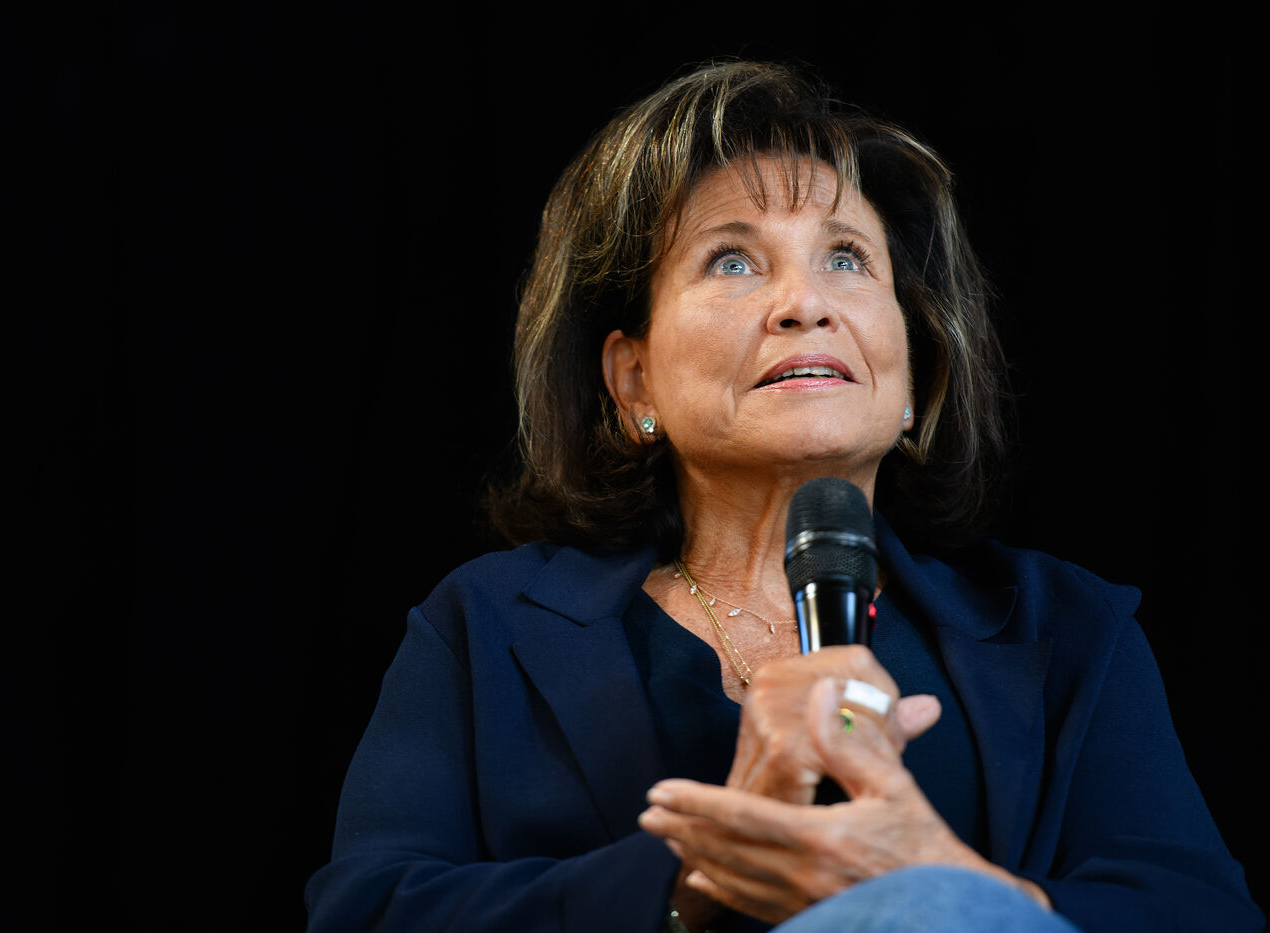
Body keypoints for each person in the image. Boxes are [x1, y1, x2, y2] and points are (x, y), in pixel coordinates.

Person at [304, 61, 1262, 932]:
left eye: (847, 257)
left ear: (913, 371)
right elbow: (366, 912)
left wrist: (940, 887)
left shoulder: (1070, 628)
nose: (807, 302)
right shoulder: (481, 627)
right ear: (633, 381)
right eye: (732, 259)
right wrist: (695, 877)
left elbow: (1203, 913)